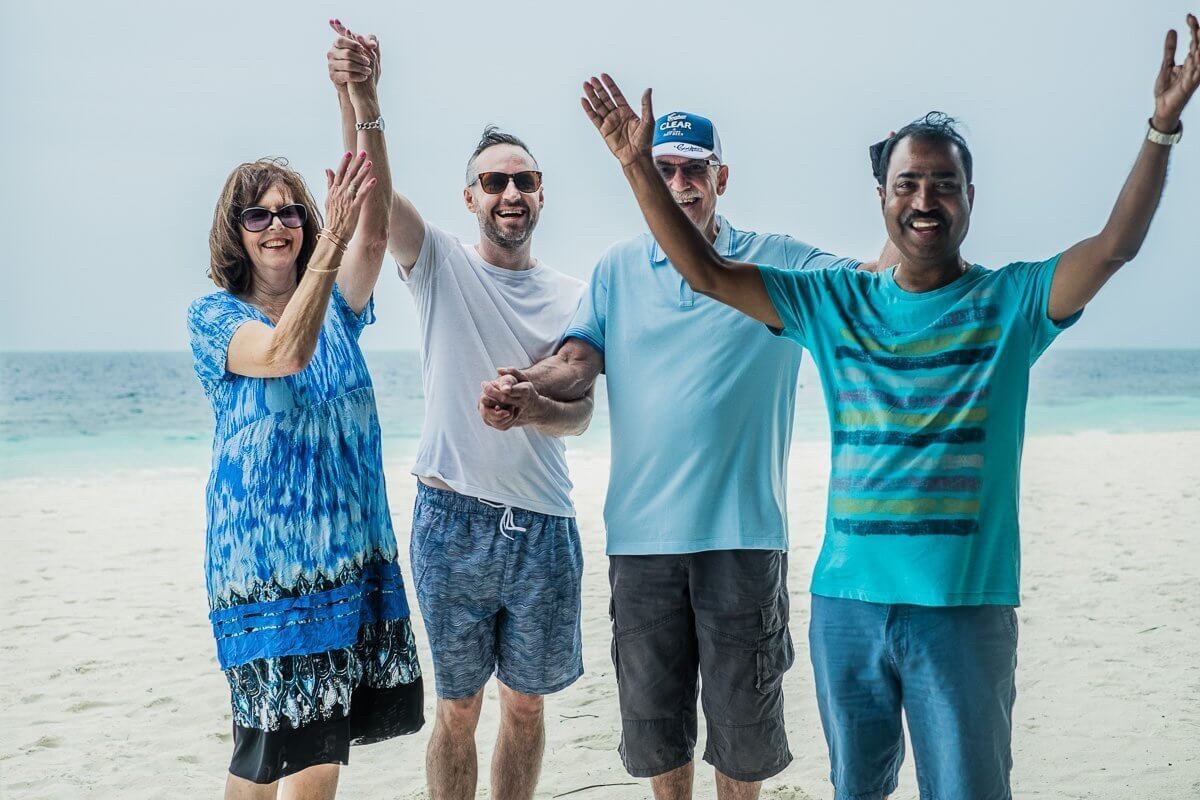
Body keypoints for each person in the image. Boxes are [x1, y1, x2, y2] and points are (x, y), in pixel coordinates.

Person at [576, 14, 1198, 798]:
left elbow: (1113, 246)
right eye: (908, 183)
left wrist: (1162, 128)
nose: (925, 200)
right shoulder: (833, 301)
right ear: (882, 197)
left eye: (943, 183)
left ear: (972, 195)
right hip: (847, 608)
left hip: (962, 610)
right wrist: (637, 169)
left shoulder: (1012, 303)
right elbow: (704, 270)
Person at [478, 111, 896, 799]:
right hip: (641, 546)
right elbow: (578, 361)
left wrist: (895, 187)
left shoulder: (776, 261)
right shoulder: (616, 268)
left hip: (743, 538)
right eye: (664, 168)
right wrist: (526, 385)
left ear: (719, 178)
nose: (679, 183)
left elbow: (874, 282)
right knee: (658, 739)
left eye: (693, 168)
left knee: (744, 742)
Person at [326, 26, 589, 800]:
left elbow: (578, 416)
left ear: (541, 193)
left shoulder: (576, 296)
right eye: (496, 182)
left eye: (525, 181)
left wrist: (534, 406)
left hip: (543, 523)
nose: (512, 194)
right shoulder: (438, 261)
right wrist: (362, 95)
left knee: (529, 708)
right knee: (457, 707)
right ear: (469, 197)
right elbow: (367, 197)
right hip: (451, 519)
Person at [187, 27, 423, 800]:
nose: (280, 223)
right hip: (268, 576)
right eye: (259, 216)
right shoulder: (216, 319)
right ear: (237, 233)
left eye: (291, 211)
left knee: (320, 755)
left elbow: (375, 224)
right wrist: (330, 240)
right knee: (264, 758)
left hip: (346, 563)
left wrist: (359, 96)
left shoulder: (342, 313)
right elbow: (285, 352)